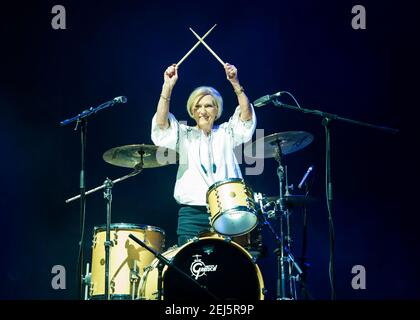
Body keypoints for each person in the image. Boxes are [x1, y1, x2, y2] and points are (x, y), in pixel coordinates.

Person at [151, 62, 257, 246]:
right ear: (192, 111)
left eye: (208, 106)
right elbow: (161, 125)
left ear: (217, 110)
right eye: (197, 106)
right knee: (191, 268)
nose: (202, 111)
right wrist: (167, 87)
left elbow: (246, 118)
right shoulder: (183, 135)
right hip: (191, 215)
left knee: (228, 267)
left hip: (228, 211)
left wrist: (235, 83)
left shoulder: (227, 133)